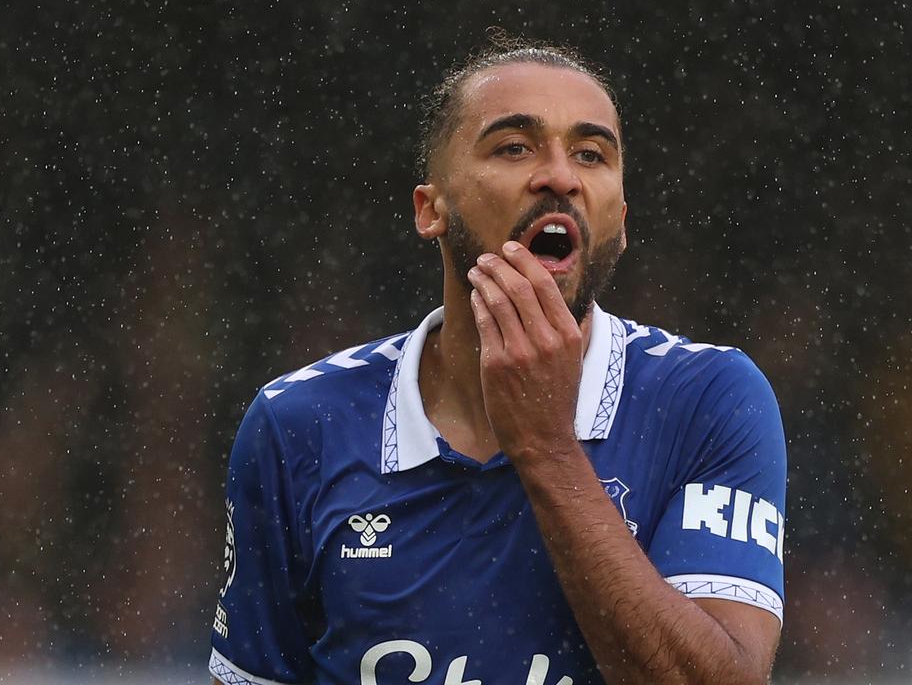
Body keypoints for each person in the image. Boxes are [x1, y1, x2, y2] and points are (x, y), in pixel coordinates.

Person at [208, 35, 788, 685]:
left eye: (591, 154)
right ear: (431, 209)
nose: (560, 176)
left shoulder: (708, 399)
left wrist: (544, 446)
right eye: (514, 146)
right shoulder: (298, 424)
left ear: (618, 222)